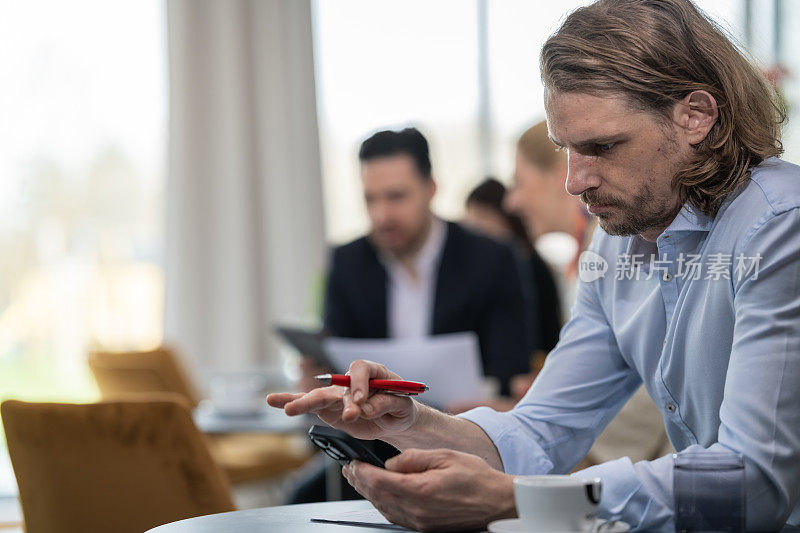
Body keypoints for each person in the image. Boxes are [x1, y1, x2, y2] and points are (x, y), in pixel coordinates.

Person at [270, 0, 798, 530]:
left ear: (696, 116)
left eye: (602, 147)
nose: (574, 181)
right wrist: (407, 422)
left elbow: (755, 484)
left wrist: (520, 498)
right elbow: (540, 432)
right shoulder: (615, 246)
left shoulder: (781, 227)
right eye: (566, 149)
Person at [292, 126, 531, 502]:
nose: (382, 214)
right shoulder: (349, 261)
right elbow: (338, 351)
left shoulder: (491, 258)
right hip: (372, 443)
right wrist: (319, 378)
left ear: (431, 188)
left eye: (397, 197)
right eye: (370, 199)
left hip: (464, 438)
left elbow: (510, 366)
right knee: (300, 501)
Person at [463, 178, 562, 355]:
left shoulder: (529, 266)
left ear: (506, 218)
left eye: (482, 218)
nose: (474, 231)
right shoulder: (483, 272)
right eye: (469, 222)